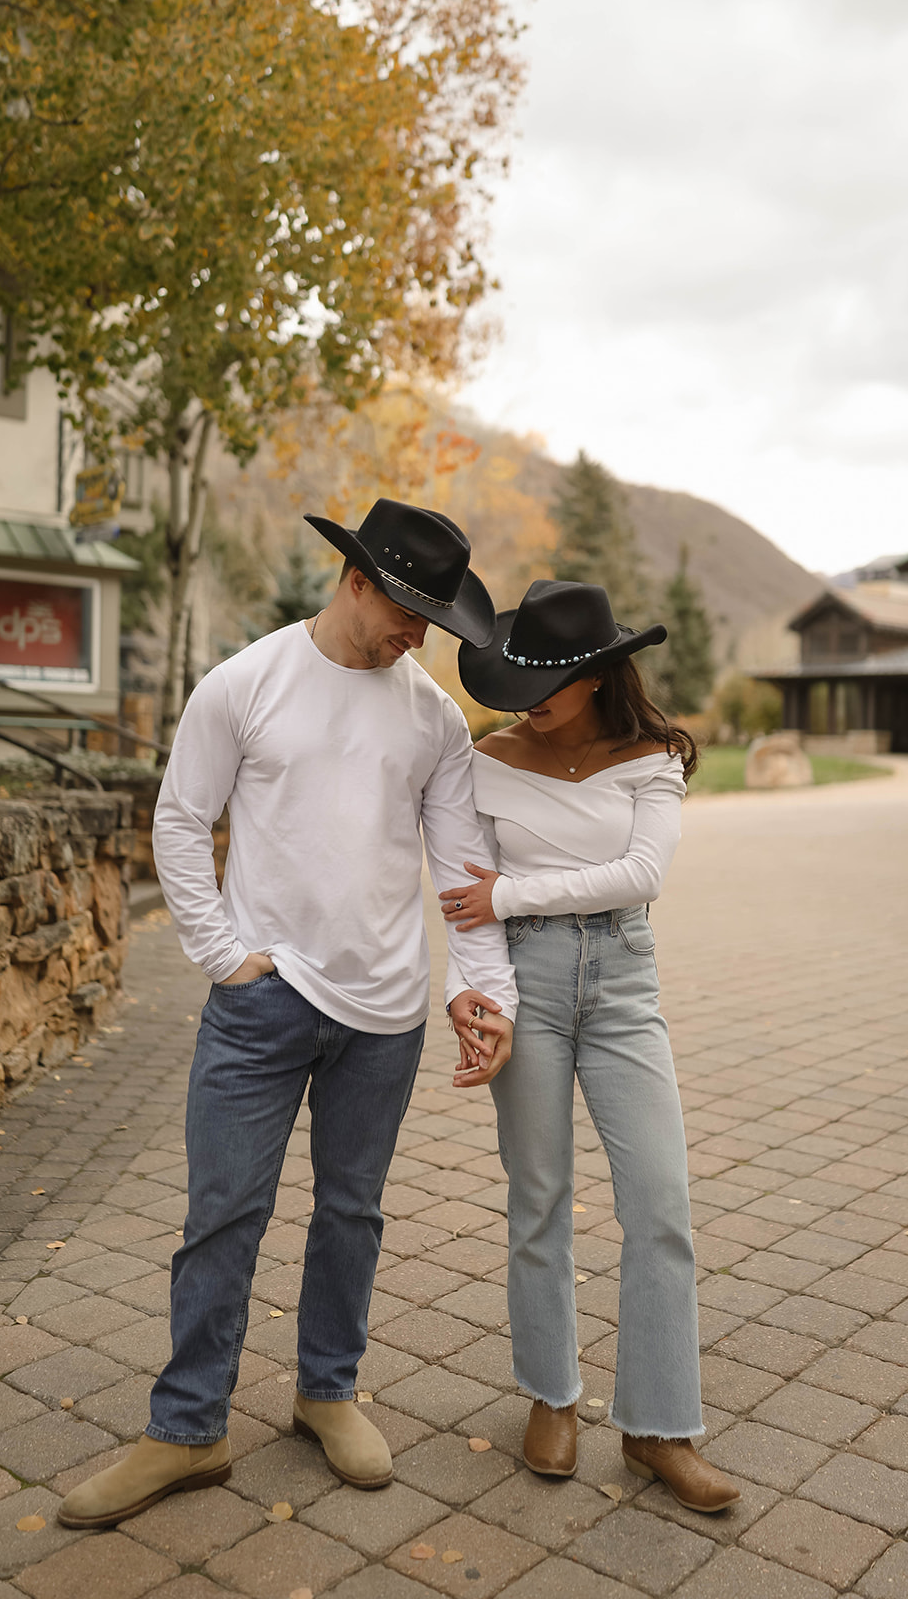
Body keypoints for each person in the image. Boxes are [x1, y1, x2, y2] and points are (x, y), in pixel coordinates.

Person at [58, 499, 517, 1529]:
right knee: (221, 1211)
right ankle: (187, 1430)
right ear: (355, 580)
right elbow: (179, 822)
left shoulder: (432, 719)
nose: (419, 635)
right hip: (260, 1005)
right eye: (408, 610)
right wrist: (224, 959)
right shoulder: (245, 684)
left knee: (351, 1214)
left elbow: (460, 872)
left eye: (432, 620)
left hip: (385, 1012)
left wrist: (475, 989)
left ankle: (326, 1390)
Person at [440, 578, 739, 1513]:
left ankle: (657, 1425)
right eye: (523, 675)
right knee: (537, 1195)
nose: (533, 694)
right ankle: (551, 1397)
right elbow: (463, 905)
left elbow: (642, 873)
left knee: (659, 1200)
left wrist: (513, 892)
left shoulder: (650, 758)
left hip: (621, 978)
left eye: (554, 677)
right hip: (520, 981)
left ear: (600, 671)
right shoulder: (485, 758)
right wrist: (474, 994)